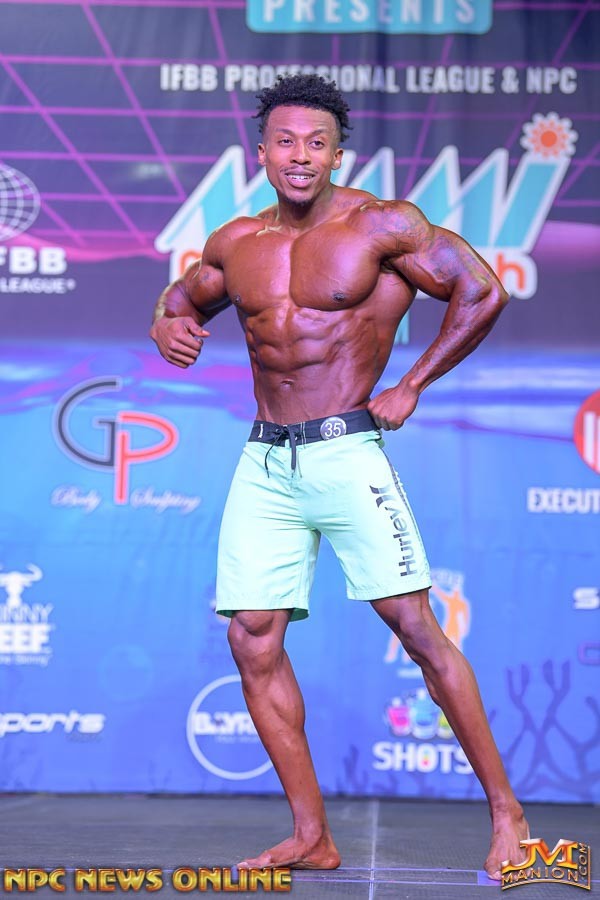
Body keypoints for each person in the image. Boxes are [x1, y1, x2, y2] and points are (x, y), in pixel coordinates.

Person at [150, 74, 528, 879]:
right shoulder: (237, 241)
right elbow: (180, 300)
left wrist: (413, 383)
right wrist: (164, 325)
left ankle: (508, 812)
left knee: (417, 629)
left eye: (316, 143)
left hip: (347, 451)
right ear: (261, 153)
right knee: (251, 637)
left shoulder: (382, 225)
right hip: (265, 459)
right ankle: (311, 836)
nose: (300, 155)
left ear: (336, 154)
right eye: (285, 141)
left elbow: (482, 291)